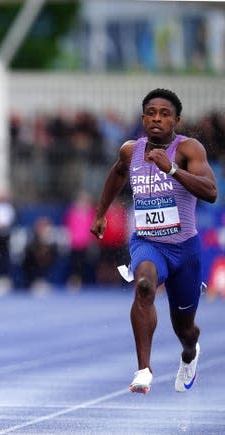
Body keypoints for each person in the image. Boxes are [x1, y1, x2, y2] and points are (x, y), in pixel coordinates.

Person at [90, 88, 217, 395]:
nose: (157, 119)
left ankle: (190, 353)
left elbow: (211, 192)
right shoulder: (130, 150)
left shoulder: (189, 150)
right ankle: (143, 369)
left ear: (176, 120)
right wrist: (101, 213)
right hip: (147, 243)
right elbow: (116, 174)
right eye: (151, 113)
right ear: (143, 118)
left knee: (184, 328)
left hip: (184, 250)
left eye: (165, 114)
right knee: (144, 285)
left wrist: (171, 169)